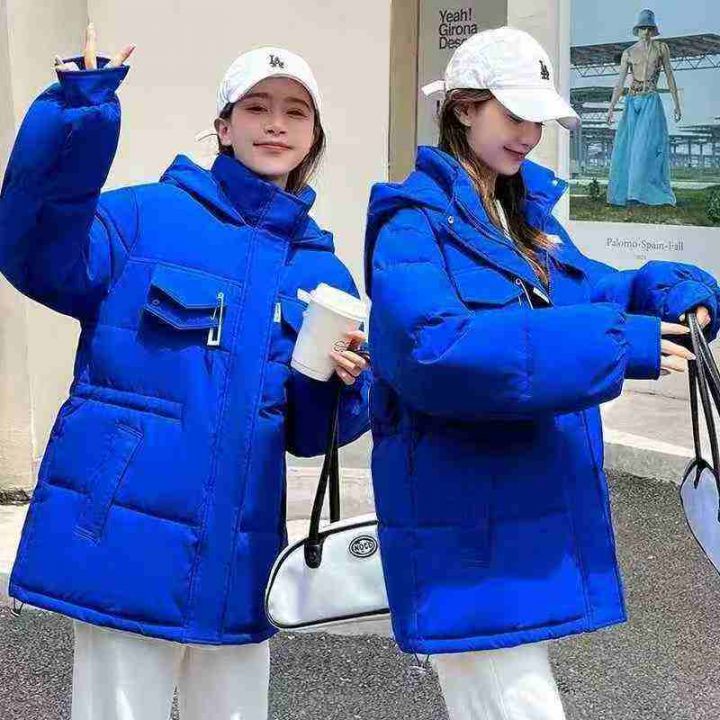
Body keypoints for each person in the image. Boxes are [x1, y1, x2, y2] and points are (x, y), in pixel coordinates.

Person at [0, 24, 370, 720]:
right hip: (124, 536)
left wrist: (348, 384)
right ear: (223, 127)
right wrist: (80, 115)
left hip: (238, 552)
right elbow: (36, 252)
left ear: (313, 136)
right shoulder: (143, 217)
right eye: (256, 107)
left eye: (295, 111)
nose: (276, 124)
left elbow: (306, 434)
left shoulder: (321, 269)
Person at [365, 26, 718, 720]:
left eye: (538, 119)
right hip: (465, 528)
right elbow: (437, 351)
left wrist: (673, 289)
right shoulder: (413, 227)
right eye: (515, 114)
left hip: (510, 522)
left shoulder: (517, 217)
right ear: (464, 108)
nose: (530, 135)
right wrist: (618, 342)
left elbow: (597, 288)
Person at [606, 9, 680, 206]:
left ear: (653, 30)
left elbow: (670, 75)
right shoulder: (628, 53)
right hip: (632, 100)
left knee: (645, 147)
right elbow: (620, 83)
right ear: (637, 30)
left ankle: (642, 192)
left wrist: (677, 104)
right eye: (642, 28)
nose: (646, 31)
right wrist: (611, 108)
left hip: (650, 99)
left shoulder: (661, 48)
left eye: (649, 28)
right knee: (628, 146)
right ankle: (629, 192)